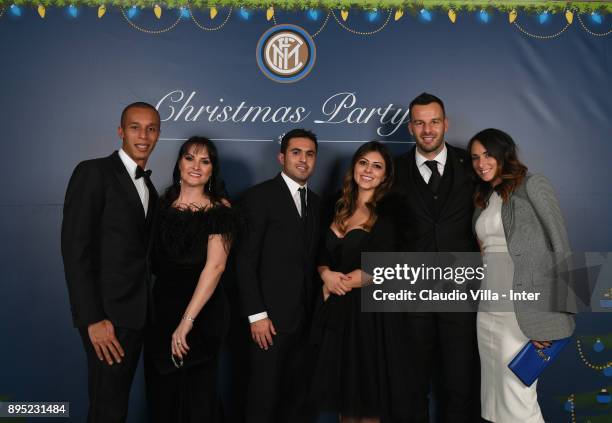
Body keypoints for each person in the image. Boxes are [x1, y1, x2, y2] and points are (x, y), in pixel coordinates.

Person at [61, 102, 161, 422]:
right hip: (107, 319)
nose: (143, 135)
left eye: (150, 128)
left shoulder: (150, 188)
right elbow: (75, 251)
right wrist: (92, 319)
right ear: (121, 131)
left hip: (139, 315)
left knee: (116, 407)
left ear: (158, 134)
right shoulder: (93, 172)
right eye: (135, 127)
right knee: (107, 410)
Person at [384, 92, 480, 422]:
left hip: (463, 299)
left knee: (461, 388)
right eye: (420, 123)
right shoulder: (391, 170)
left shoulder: (473, 166)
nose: (428, 130)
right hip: (411, 301)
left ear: (446, 124)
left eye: (434, 122)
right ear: (410, 127)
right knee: (410, 389)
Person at [468, 128, 576, 423]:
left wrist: (555, 317)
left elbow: (561, 246)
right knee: (493, 400)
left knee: (518, 398)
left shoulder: (533, 185)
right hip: (488, 313)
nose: (481, 163)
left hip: (525, 314)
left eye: (488, 154)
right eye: (475, 157)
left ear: (504, 153)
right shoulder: (484, 197)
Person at [311, 141, 411, 423]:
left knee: (369, 402)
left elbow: (397, 262)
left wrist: (361, 279)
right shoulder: (334, 205)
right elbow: (318, 253)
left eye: (377, 166)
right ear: (354, 166)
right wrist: (325, 274)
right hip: (336, 313)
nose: (368, 170)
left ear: (385, 175)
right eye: (363, 162)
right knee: (346, 401)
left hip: (372, 316)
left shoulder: (391, 211)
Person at [144, 136, 238, 422]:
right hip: (161, 312)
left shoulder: (220, 212)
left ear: (212, 170)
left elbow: (215, 268)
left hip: (202, 314)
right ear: (179, 163)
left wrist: (186, 322)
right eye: (190, 158)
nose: (196, 166)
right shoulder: (160, 207)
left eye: (205, 161)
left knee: (197, 399)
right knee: (162, 396)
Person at [236, 128, 321, 423]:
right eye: (296, 153)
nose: (303, 160)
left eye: (310, 154)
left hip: (306, 324)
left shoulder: (319, 204)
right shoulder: (258, 198)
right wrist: (256, 315)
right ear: (281, 157)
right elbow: (244, 261)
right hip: (268, 324)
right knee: (262, 401)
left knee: (297, 404)